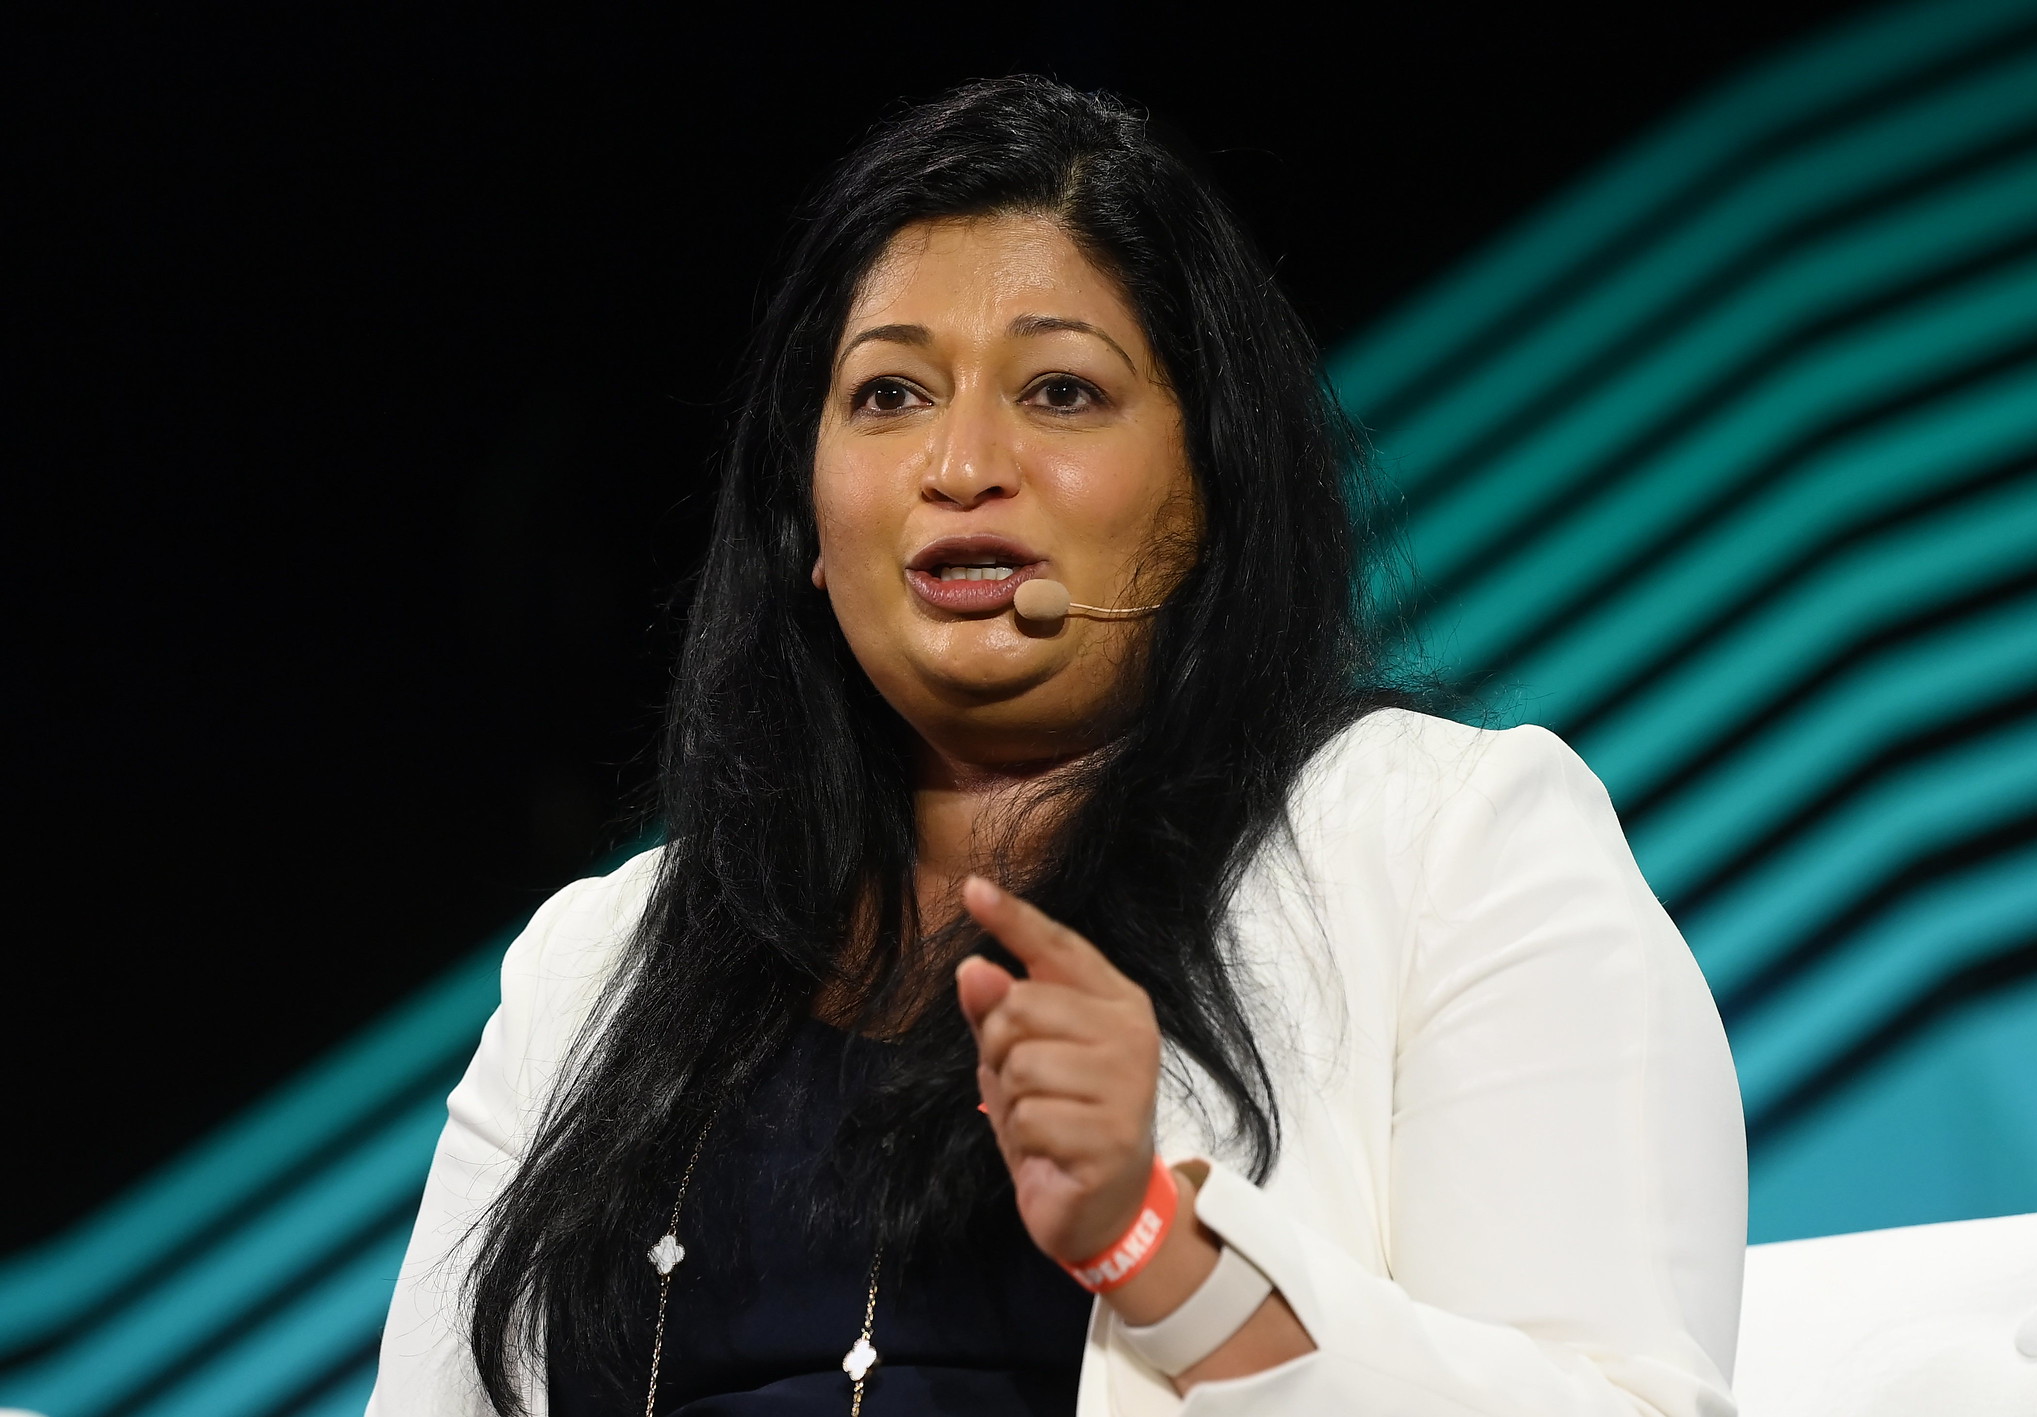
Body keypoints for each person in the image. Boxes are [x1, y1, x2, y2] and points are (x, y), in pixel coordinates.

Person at [367, 76, 1747, 1417]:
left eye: (1062, 392)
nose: (961, 461)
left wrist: (1156, 1244)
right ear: (805, 524)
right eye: (889, 395)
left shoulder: (1451, 845)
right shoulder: (592, 968)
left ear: (1216, 482)